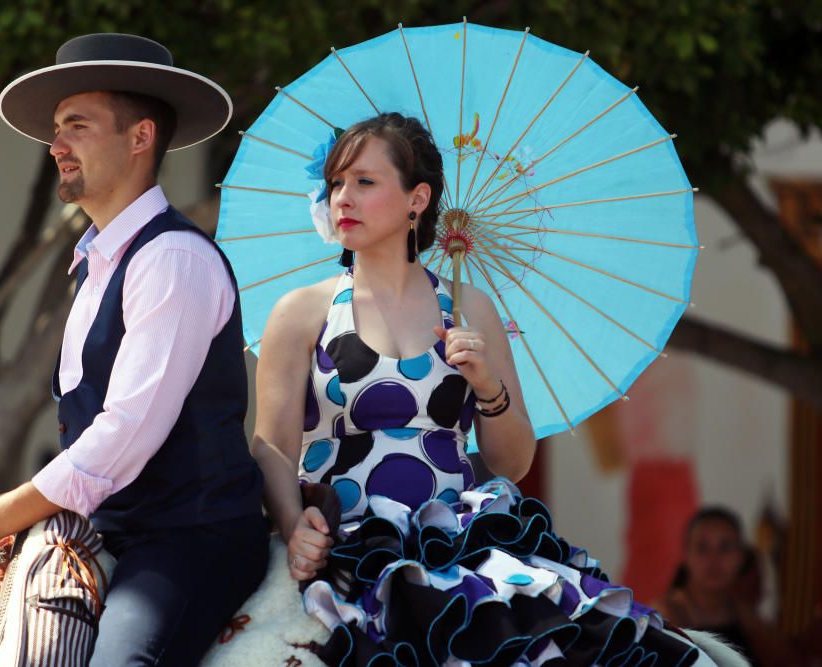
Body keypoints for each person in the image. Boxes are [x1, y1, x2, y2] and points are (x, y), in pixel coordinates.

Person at [251, 112, 707, 665]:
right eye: (336, 183)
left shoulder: (472, 309)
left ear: (417, 199)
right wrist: (294, 526)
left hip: (455, 540)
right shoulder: (302, 311)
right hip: (340, 537)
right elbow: (272, 444)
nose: (343, 197)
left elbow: (511, 462)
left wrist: (487, 384)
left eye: (365, 182)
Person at [0, 33, 268, 665]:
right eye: (57, 129)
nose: (56, 146)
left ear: (140, 138)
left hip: (191, 539)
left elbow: (121, 434)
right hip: (121, 531)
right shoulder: (98, 261)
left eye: (77, 126)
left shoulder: (172, 258)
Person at [656, 507, 794, 666]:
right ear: (686, 555)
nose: (713, 559)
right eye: (702, 548)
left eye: (725, 547)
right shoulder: (665, 617)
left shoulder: (745, 614)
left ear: (741, 556)